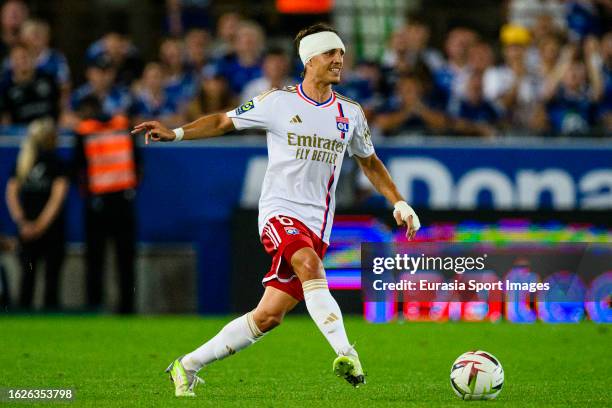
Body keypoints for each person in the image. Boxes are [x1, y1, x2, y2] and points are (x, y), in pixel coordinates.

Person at [133, 22, 421, 397]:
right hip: (279, 212)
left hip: (318, 224)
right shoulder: (277, 102)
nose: (338, 60)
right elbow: (223, 121)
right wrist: (177, 133)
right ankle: (345, 352)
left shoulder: (350, 113)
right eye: (330, 54)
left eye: (341, 55)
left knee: (268, 316)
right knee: (309, 266)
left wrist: (398, 201)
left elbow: (369, 162)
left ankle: (186, 366)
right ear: (309, 60)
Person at [74, 96, 140, 314]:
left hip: (97, 202)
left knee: (96, 260)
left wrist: (88, 195)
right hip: (123, 199)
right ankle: (127, 308)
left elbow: (78, 168)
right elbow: (138, 163)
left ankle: (94, 306)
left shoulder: (84, 131)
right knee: (125, 260)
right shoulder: (123, 126)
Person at [5, 118, 68, 309]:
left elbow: (11, 194)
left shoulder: (24, 162)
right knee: (50, 277)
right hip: (49, 227)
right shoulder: (55, 162)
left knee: (28, 276)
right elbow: (57, 197)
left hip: (31, 227)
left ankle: (25, 311)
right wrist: (38, 225)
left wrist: (23, 223)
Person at [0, 43, 59, 125]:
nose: (22, 62)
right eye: (17, 58)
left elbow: (61, 106)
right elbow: (5, 119)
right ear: (11, 62)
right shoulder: (5, 87)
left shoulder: (48, 79)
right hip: (18, 135)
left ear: (33, 58)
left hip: (48, 130)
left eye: (25, 57)